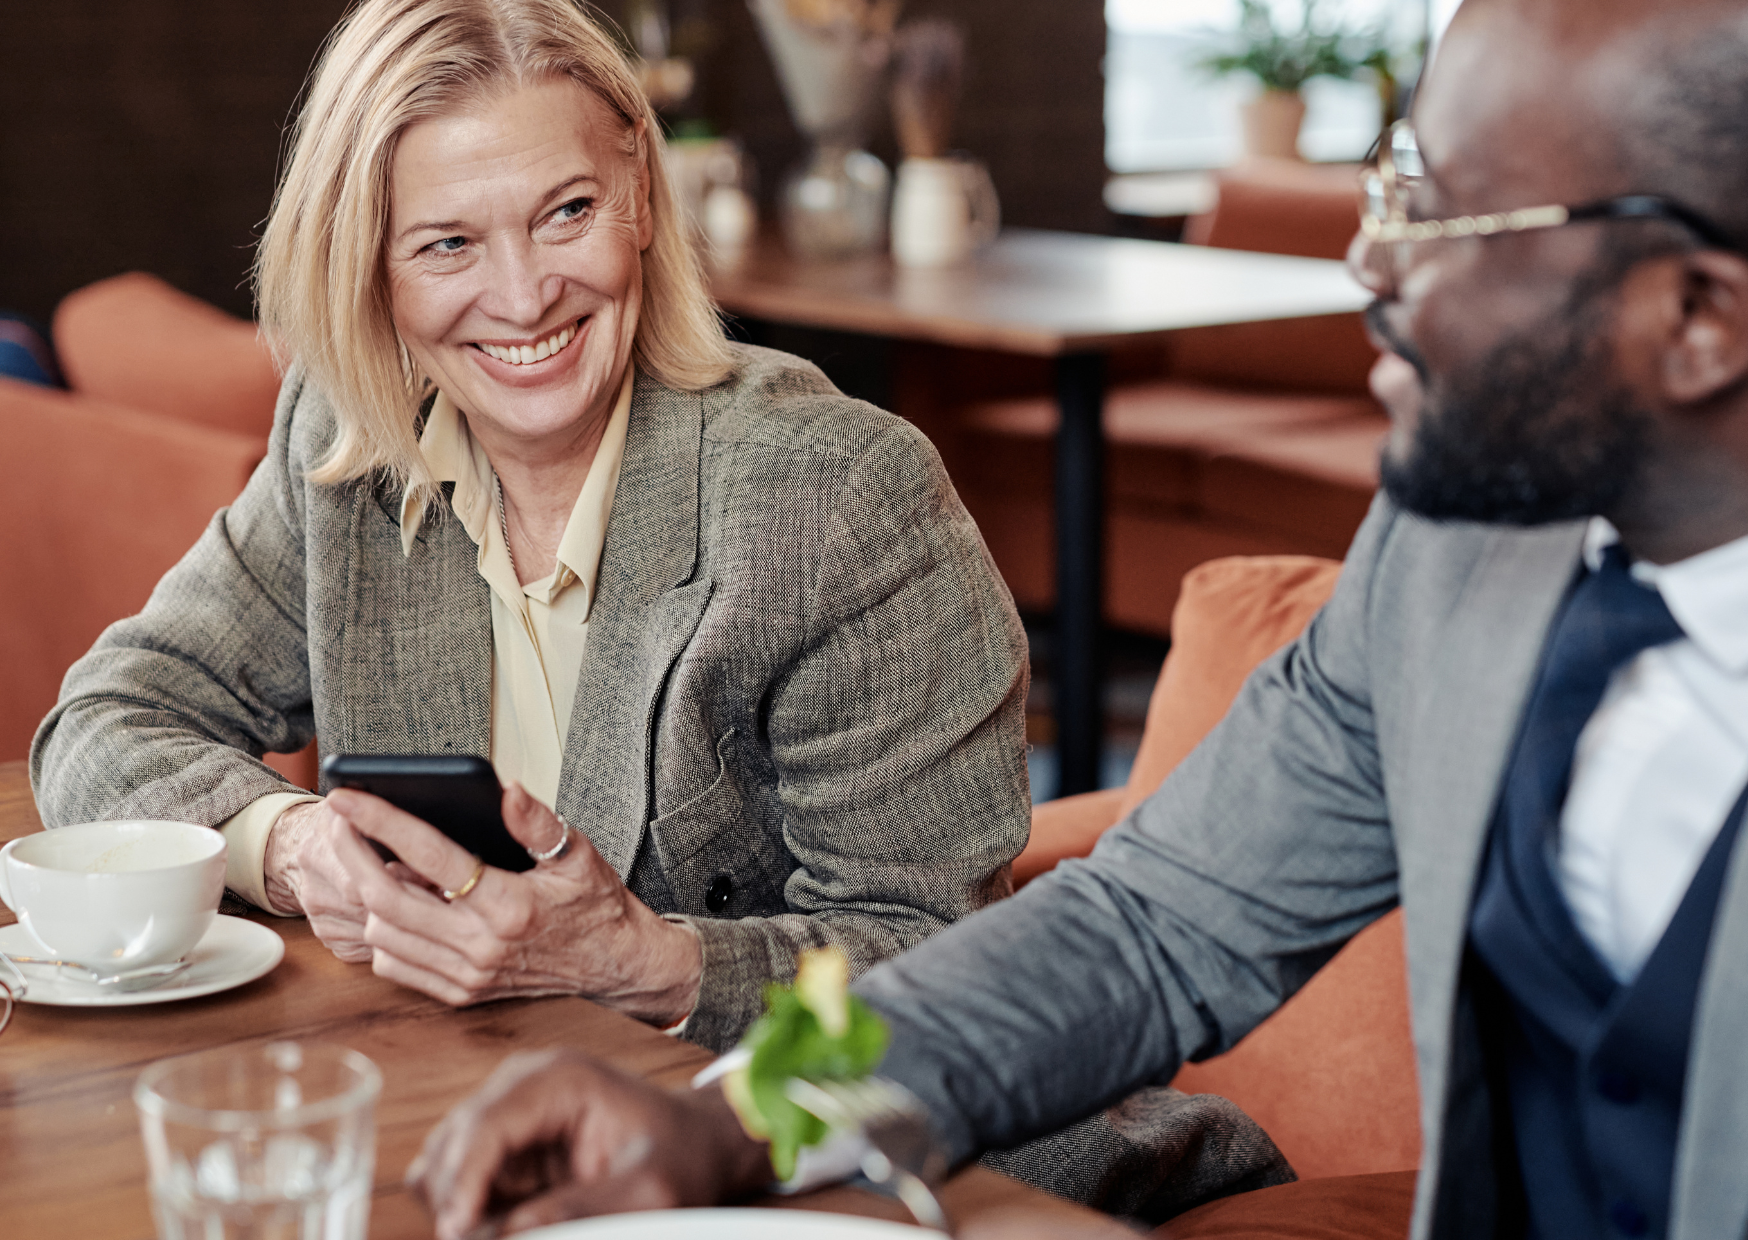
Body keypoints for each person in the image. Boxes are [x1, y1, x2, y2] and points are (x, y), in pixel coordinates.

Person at [403, 0, 1748, 1236]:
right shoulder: (1458, 558)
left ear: (1698, 319)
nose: (1369, 264)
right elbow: (1158, 922)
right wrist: (735, 1121)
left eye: (1445, 222)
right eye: (1390, 187)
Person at [29, 0, 1031, 1053]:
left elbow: (945, 969)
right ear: (369, 267)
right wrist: (292, 843)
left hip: (808, 1147)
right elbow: (105, 718)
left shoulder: (835, 496)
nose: (522, 296)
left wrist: (644, 963)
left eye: (565, 212)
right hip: (476, 1105)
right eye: (448, 243)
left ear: (640, 192)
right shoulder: (354, 446)